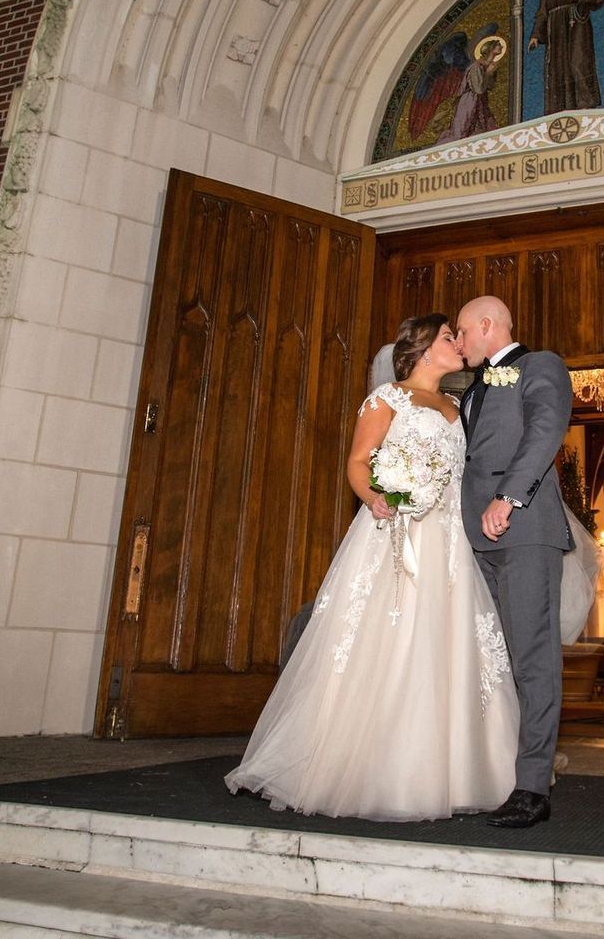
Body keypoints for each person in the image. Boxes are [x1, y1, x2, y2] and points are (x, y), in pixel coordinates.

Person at [225, 314, 519, 821]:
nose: (459, 344)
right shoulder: (386, 400)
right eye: (451, 336)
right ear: (426, 350)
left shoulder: (455, 406)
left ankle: (460, 770)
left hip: (448, 542)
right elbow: (359, 461)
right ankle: (368, 767)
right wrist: (378, 497)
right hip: (397, 532)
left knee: (448, 648)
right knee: (391, 641)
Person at [456, 296, 574, 828]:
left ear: (487, 326)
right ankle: (493, 770)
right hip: (474, 542)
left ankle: (532, 788)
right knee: (492, 661)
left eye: (462, 332)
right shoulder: (470, 388)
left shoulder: (539, 365)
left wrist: (510, 497)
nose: (458, 342)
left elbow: (545, 430)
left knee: (533, 658)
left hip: (524, 531)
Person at [528, 0, 604, 115]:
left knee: (579, 61)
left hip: (577, 24)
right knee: (557, 67)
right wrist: (535, 35)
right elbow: (542, 13)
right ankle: (559, 107)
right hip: (555, 30)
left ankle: (585, 103)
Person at [436, 37, 504, 145]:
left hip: (481, 103)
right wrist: (488, 73)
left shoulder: (489, 66)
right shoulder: (476, 66)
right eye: (498, 45)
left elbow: (490, 87)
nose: (501, 46)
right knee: (461, 132)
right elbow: (478, 89)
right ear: (490, 48)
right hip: (469, 102)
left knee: (484, 129)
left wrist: (491, 73)